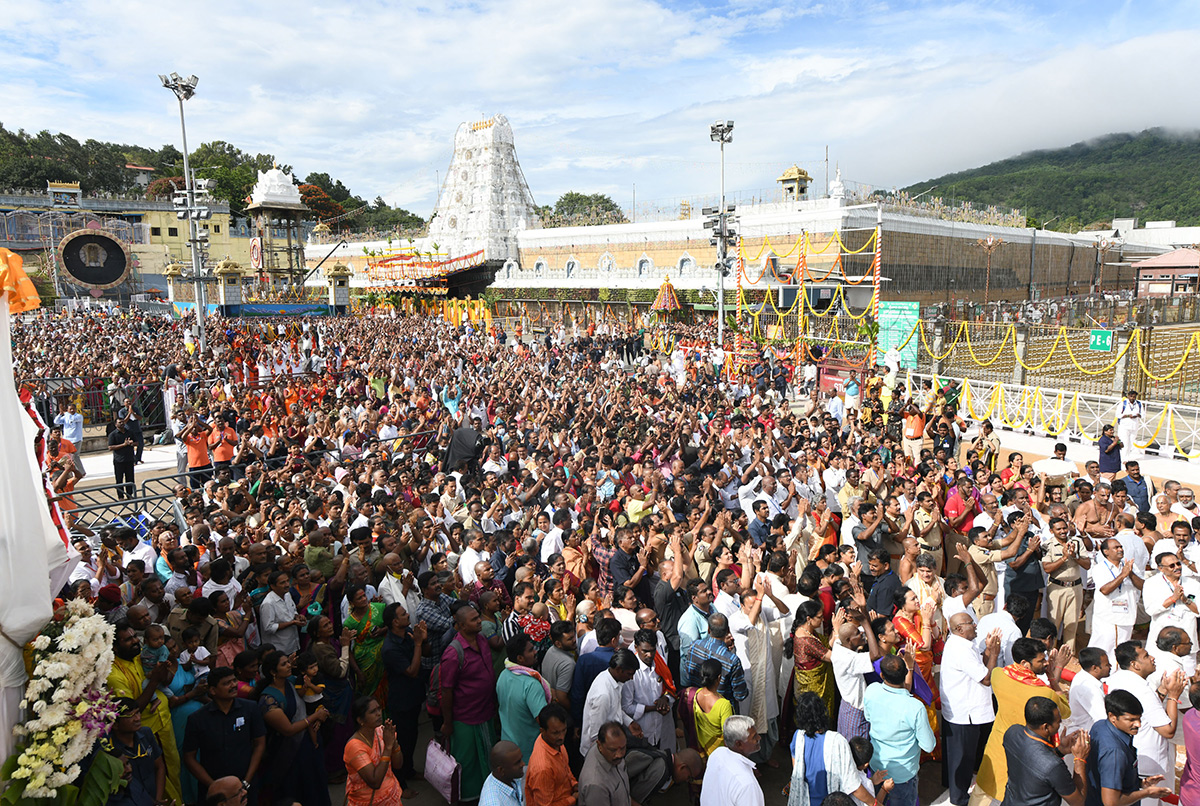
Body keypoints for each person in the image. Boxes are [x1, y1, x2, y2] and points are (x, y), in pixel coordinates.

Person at [974, 637, 1072, 806]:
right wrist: (1055, 675)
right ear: (1026, 663)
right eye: (1041, 660)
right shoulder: (1044, 692)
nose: (1046, 663)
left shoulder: (998, 675)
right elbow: (1065, 710)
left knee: (983, 792)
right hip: (1026, 754)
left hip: (997, 746)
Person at [108, 622, 181, 805]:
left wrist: (167, 667)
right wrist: (155, 679)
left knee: (174, 769)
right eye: (128, 640)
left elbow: (166, 679)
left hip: (164, 720)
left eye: (134, 637)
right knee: (160, 778)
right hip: (145, 730)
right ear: (115, 647)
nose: (134, 642)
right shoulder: (114, 674)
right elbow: (130, 711)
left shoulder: (142, 655)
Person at [1105, 640, 1185, 806]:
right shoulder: (1142, 689)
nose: (1152, 658)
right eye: (1146, 656)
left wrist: (1162, 691)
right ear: (1135, 664)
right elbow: (1168, 730)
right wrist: (1173, 696)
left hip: (1134, 757)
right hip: (1150, 765)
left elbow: (1146, 710)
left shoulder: (1117, 679)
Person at [439, 604, 498, 802]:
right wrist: (447, 722)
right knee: (467, 761)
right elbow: (446, 690)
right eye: (474, 619)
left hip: (486, 712)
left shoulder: (481, 640)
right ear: (462, 626)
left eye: (478, 617)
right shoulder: (453, 653)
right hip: (465, 718)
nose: (479, 621)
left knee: (486, 757)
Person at [256, 650, 331, 806]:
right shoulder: (268, 699)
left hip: (308, 743)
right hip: (287, 751)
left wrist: (321, 712)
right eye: (284, 664)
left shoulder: (292, 682)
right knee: (296, 789)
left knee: (315, 784)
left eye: (288, 662)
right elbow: (288, 730)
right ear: (272, 671)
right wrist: (314, 717)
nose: (289, 666)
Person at [182, 667, 266, 804]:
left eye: (234, 681)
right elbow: (189, 758)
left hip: (245, 787)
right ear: (213, 690)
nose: (233, 685)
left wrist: (246, 781)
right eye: (227, 683)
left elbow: (260, 744)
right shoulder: (197, 719)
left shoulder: (250, 709)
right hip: (212, 790)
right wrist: (215, 787)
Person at [942, 613, 1002, 806]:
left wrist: (988, 650)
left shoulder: (962, 643)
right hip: (964, 713)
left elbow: (978, 666)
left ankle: (956, 789)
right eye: (970, 623)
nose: (975, 625)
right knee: (961, 758)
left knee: (959, 756)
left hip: (963, 710)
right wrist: (994, 653)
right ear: (959, 629)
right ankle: (959, 799)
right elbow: (985, 679)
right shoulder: (961, 649)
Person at [861, 654, 935, 806]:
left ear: (881, 675)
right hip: (903, 776)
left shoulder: (872, 691)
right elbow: (928, 745)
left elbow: (868, 717)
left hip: (877, 769)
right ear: (905, 675)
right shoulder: (914, 707)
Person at [785, 692, 874, 806]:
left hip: (804, 801)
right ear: (823, 712)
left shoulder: (798, 737)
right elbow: (853, 785)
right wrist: (875, 803)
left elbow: (797, 771)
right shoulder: (837, 741)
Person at [1086, 691, 1174, 806]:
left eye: (1139, 719)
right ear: (1112, 717)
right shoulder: (1115, 753)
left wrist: (1141, 783)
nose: (1138, 724)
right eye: (1131, 720)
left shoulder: (1100, 726)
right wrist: (1147, 792)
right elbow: (1111, 802)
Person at [999, 696, 1089, 806]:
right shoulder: (1054, 766)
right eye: (1058, 722)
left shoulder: (1012, 733)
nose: (1060, 724)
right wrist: (1080, 759)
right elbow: (1078, 802)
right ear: (1046, 727)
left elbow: (1033, 761)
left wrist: (1060, 750)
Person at [379, 602, 426, 790]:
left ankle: (409, 770)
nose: (408, 615)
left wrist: (422, 639)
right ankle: (400, 784)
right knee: (402, 743)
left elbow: (425, 652)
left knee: (413, 736)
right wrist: (418, 644)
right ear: (394, 622)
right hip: (402, 700)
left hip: (414, 695)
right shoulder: (390, 648)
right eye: (403, 614)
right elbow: (412, 671)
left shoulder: (407, 636)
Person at [497, 632, 553, 761]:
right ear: (520, 659)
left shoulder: (503, 675)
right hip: (529, 753)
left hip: (509, 748)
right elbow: (544, 720)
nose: (535, 652)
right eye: (530, 650)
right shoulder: (531, 685)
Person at [102, 697, 166, 806]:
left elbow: (159, 767)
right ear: (115, 724)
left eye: (137, 713)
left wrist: (158, 799)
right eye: (130, 716)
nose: (137, 719)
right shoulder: (109, 749)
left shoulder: (146, 734)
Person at [1089, 538, 1144, 665]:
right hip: (1108, 617)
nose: (1120, 549)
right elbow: (1105, 589)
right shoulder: (1100, 568)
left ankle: (1116, 677)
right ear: (1106, 552)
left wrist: (1130, 573)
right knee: (1104, 647)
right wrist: (1122, 575)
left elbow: (1142, 586)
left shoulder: (1130, 566)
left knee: (1122, 649)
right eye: (1116, 547)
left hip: (1127, 615)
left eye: (1121, 547)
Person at [343, 697, 404, 806]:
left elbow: (398, 765)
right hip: (367, 802)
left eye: (378, 709)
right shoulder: (354, 747)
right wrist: (388, 747)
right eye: (372, 712)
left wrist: (394, 744)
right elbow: (375, 782)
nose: (378, 714)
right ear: (360, 720)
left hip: (391, 797)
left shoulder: (381, 731)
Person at [581, 649, 641, 758]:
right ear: (619, 669)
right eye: (629, 674)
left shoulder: (612, 680)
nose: (631, 678)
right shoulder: (603, 695)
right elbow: (596, 736)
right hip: (599, 754)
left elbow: (615, 708)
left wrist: (629, 723)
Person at [699, 715, 765, 806]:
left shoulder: (717, 754)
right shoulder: (746, 784)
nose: (759, 738)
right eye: (754, 737)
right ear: (739, 744)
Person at [525, 703, 578, 806]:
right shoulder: (543, 768)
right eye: (556, 733)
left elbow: (566, 768)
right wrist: (573, 799)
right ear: (542, 731)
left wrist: (574, 784)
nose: (562, 737)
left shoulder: (555, 742)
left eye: (564, 730)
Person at [1062, 648, 1112, 739]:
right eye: (1107, 665)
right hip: (1085, 737)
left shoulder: (1082, 676)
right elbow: (1102, 719)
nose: (1110, 666)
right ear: (1095, 668)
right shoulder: (1089, 688)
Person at [579, 722, 633, 806]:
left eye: (622, 748)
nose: (619, 754)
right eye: (613, 750)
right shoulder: (596, 784)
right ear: (600, 745)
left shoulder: (610, 753)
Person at [109, 413, 138, 499]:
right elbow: (110, 447)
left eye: (122, 422)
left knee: (130, 478)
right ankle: (120, 496)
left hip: (129, 459)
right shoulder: (113, 435)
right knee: (119, 479)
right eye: (119, 422)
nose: (121, 424)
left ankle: (130, 495)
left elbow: (137, 442)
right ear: (116, 424)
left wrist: (132, 443)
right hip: (119, 460)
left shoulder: (130, 432)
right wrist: (124, 445)